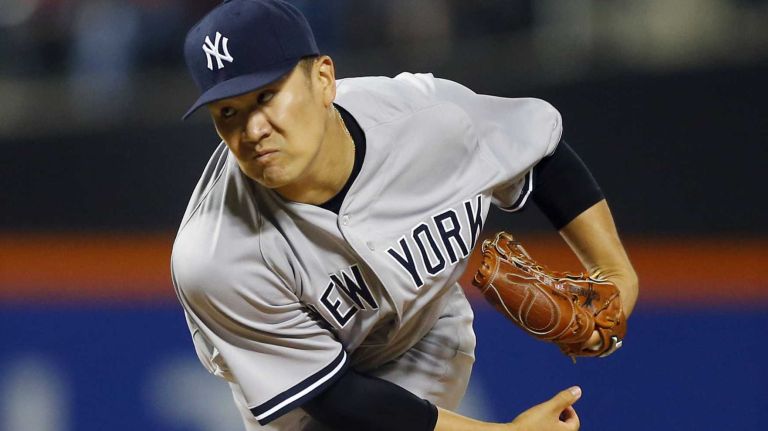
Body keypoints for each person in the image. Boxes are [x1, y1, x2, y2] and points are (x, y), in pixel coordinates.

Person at [170, 1, 639, 430]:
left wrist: (614, 273)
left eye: (267, 96)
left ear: (324, 79)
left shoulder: (427, 117)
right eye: (228, 111)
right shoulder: (214, 255)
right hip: (307, 403)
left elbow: (539, 148)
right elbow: (337, 398)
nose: (252, 129)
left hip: (426, 337)